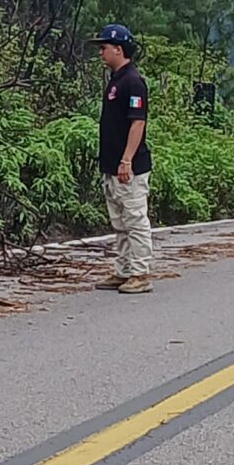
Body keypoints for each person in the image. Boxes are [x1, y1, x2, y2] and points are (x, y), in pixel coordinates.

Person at [88, 24, 153, 295]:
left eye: (104, 47)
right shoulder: (115, 80)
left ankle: (140, 272)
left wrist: (126, 160)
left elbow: (137, 123)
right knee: (120, 222)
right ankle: (124, 270)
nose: (101, 52)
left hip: (130, 166)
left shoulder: (133, 82)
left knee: (135, 218)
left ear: (119, 49)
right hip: (112, 165)